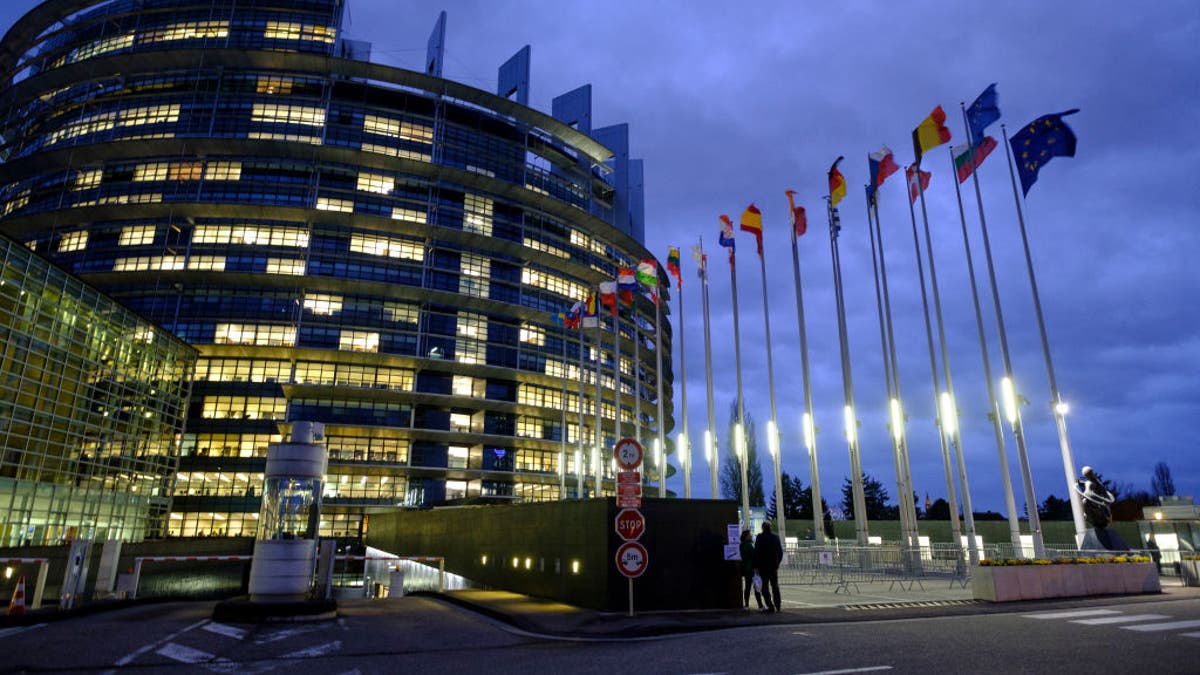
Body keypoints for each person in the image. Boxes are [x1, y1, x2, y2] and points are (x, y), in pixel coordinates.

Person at [754, 521, 784, 612]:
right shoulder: (775, 537)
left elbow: (757, 552)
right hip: (773, 566)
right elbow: (780, 552)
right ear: (770, 527)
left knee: (764, 587)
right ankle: (778, 605)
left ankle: (770, 605)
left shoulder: (760, 537)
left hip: (763, 567)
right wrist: (777, 563)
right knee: (775, 586)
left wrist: (756, 566)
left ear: (762, 528)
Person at [739, 529, 763, 610]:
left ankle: (746, 605)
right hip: (752, 569)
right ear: (746, 536)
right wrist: (756, 567)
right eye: (750, 534)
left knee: (747, 587)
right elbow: (754, 557)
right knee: (756, 587)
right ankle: (760, 605)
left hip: (746, 569)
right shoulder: (749, 545)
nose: (751, 535)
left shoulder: (742, 545)